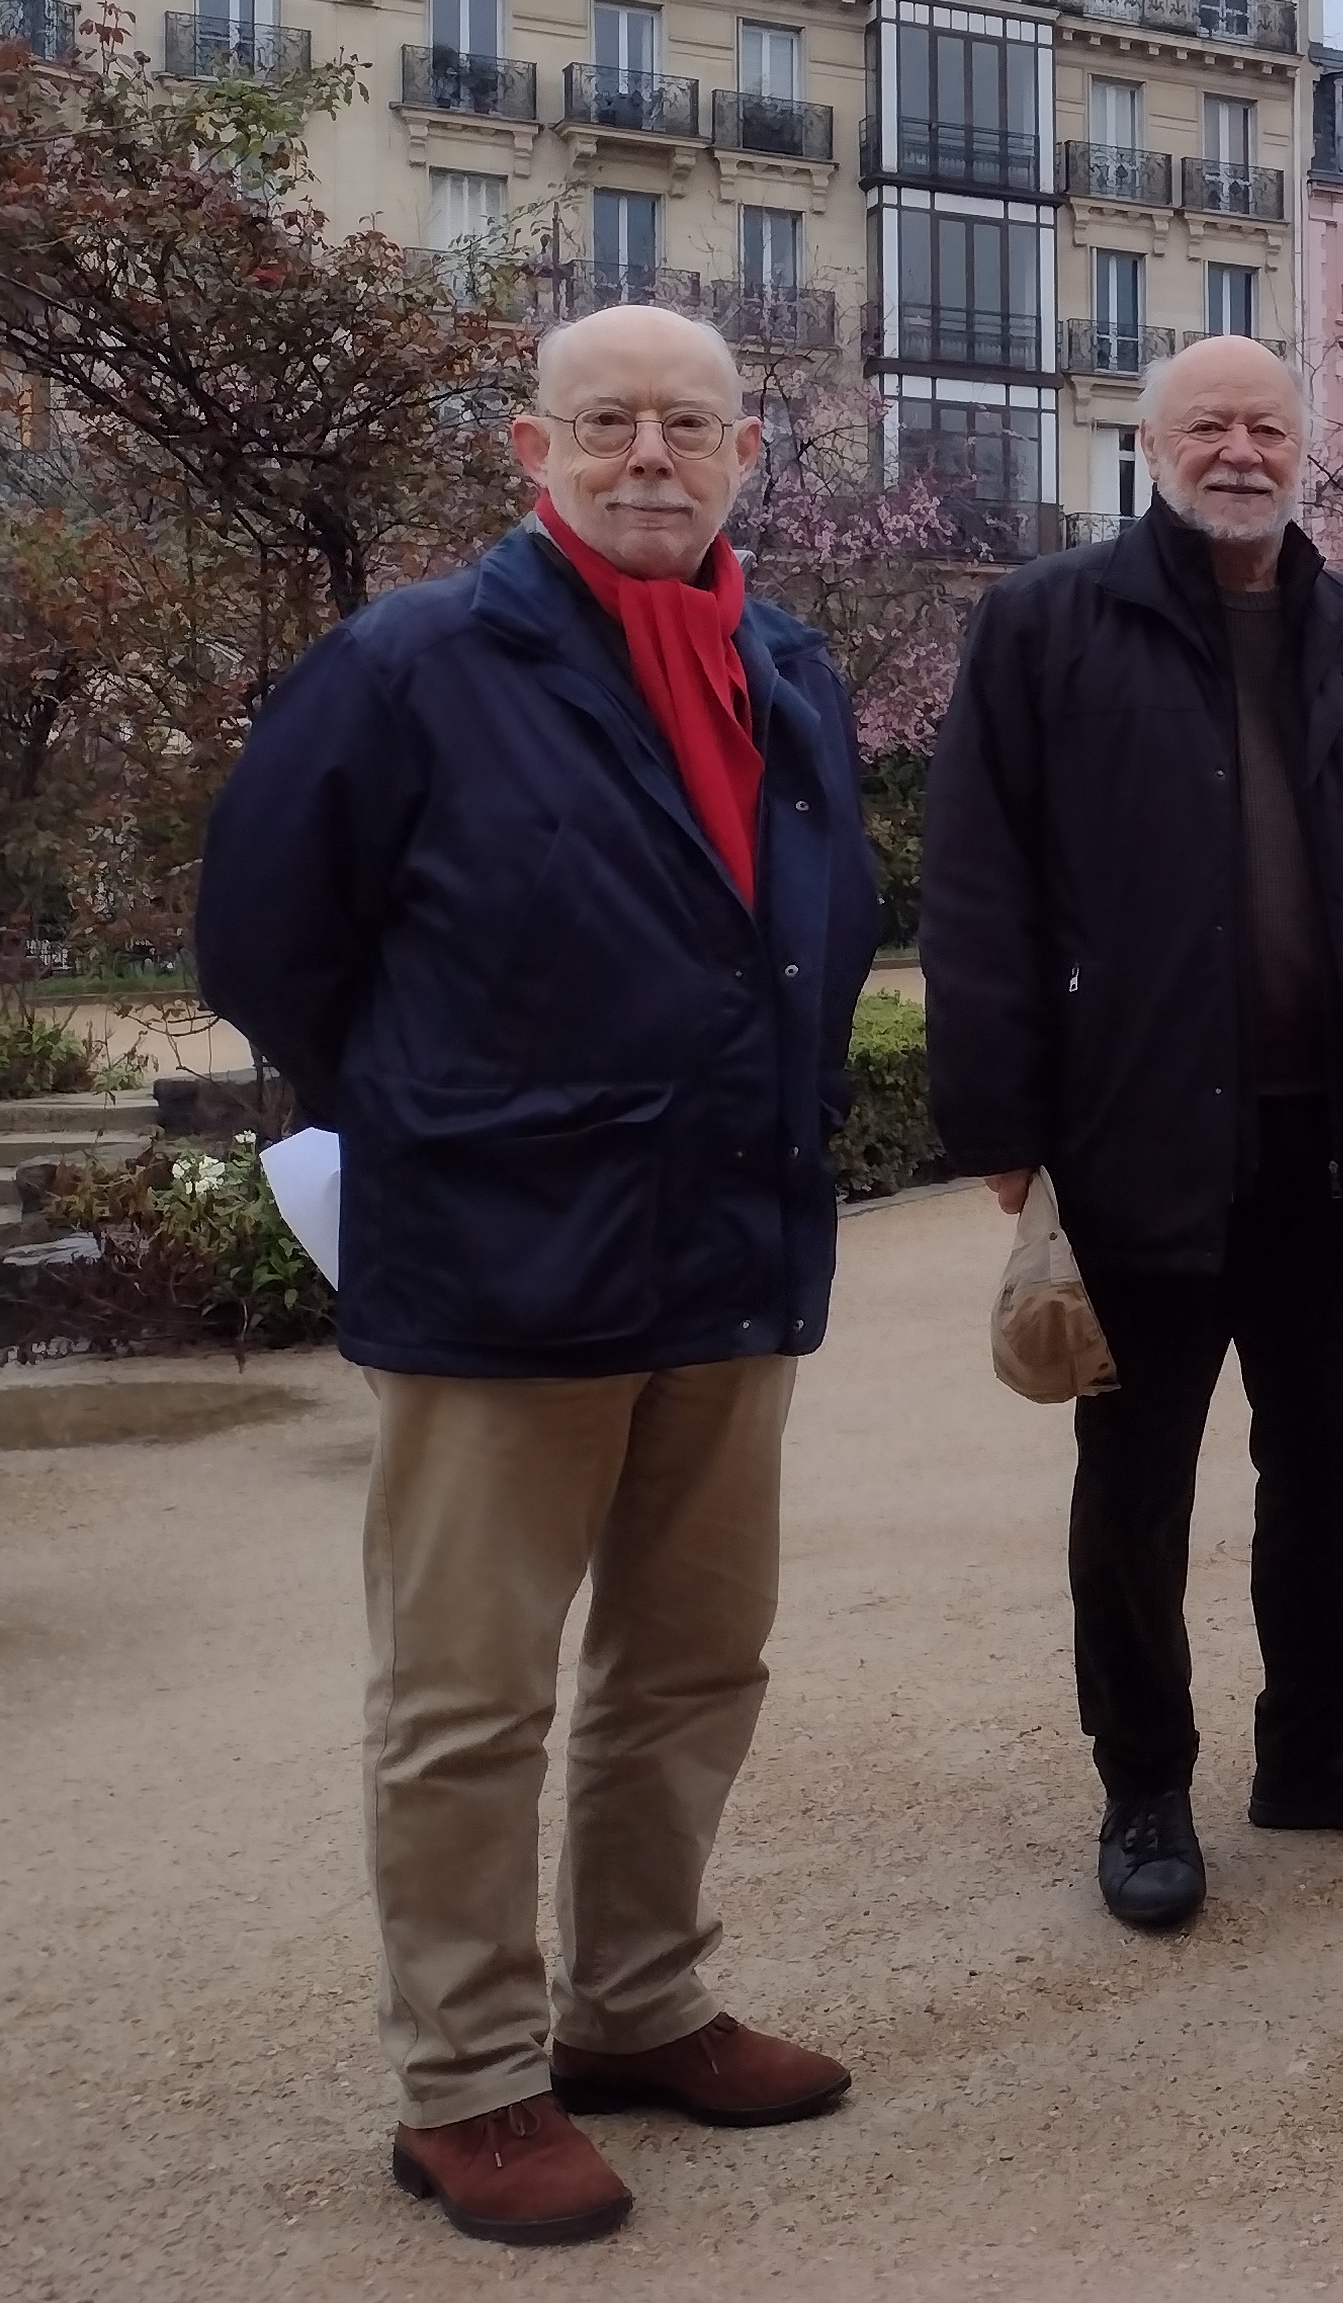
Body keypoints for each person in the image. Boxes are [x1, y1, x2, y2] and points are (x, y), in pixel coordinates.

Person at [196, 305, 877, 2248]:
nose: (648, 452)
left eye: (687, 423)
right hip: (505, 1263)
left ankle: (638, 2007)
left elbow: (808, 933)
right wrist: (438, 1107)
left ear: (745, 455)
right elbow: (265, 943)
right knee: (468, 1698)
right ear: (532, 450)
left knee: (690, 1664)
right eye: (608, 423)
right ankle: (469, 2084)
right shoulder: (412, 665)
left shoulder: (786, 662)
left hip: (729, 1253)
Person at [921, 334, 1343, 1934]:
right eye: (1207, 426)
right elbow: (973, 888)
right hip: (1136, 1134)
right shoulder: (1046, 624)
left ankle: (1319, 1744)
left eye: (1266, 425)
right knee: (1139, 1478)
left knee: (1329, 1464)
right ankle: (1145, 1783)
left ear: (1306, 444)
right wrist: (1001, 1123)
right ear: (1148, 441)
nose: (1239, 451)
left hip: (1330, 1138)